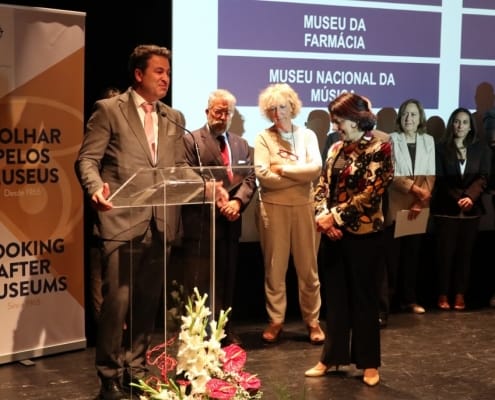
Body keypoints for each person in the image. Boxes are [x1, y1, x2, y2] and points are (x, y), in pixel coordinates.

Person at [75, 44, 188, 400]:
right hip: (121, 222)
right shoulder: (109, 110)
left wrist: (207, 186)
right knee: (117, 304)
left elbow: (178, 167)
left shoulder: (174, 117)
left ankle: (136, 370)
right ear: (139, 74)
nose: (166, 78)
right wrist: (95, 188)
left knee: (147, 303)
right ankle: (109, 374)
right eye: (159, 72)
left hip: (161, 222)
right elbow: (87, 160)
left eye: (168, 72)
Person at [305, 92, 394, 387]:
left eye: (339, 120)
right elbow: (322, 185)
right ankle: (331, 358)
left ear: (355, 119)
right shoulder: (335, 148)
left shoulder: (380, 147)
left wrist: (335, 217)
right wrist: (323, 215)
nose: (335, 126)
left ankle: (369, 363)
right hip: (333, 235)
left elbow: (371, 193)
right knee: (336, 300)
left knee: (364, 301)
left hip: (365, 236)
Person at [181, 89, 257, 345]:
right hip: (202, 222)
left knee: (227, 280)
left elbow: (249, 177)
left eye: (227, 113)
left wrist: (237, 202)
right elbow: (186, 176)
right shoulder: (191, 140)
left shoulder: (241, 144)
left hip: (231, 221)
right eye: (218, 112)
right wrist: (216, 198)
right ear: (207, 112)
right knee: (200, 282)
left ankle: (224, 330)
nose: (223, 117)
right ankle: (199, 334)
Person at [254, 83, 325, 345]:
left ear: (292, 107)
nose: (278, 113)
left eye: (282, 107)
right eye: (272, 109)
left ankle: (312, 321)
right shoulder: (263, 138)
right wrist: (299, 175)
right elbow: (263, 176)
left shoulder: (307, 135)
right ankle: (276, 320)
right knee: (275, 269)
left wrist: (282, 169)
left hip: (304, 207)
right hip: (273, 209)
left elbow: (315, 169)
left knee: (308, 269)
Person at [431, 107, 491, 311]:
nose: (460, 126)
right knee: (444, 254)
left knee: (465, 256)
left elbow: (484, 177)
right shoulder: (440, 148)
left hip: (472, 211)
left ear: (470, 126)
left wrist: (470, 197)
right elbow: (440, 178)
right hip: (446, 209)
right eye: (457, 121)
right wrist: (460, 198)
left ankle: (460, 294)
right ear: (451, 124)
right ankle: (442, 294)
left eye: (465, 122)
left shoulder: (481, 149)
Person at [382, 99, 436, 318]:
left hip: (418, 208)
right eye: (405, 114)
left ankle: (409, 300)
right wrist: (416, 190)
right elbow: (391, 174)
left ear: (420, 117)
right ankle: (388, 303)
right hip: (396, 206)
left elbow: (430, 174)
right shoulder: (391, 139)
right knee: (392, 260)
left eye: (413, 114)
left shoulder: (428, 141)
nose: (409, 119)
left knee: (412, 258)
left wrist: (421, 201)